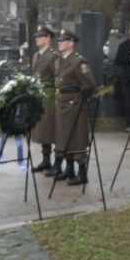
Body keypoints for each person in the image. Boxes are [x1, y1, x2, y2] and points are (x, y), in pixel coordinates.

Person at [51, 29, 96, 186]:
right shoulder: (58, 60)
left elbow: (90, 84)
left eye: (63, 41)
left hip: (74, 104)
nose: (59, 43)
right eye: (59, 40)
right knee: (63, 137)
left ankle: (82, 173)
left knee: (76, 137)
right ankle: (69, 169)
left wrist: (80, 98)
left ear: (71, 43)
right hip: (61, 102)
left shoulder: (79, 61)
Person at [30, 25, 59, 173]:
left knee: (52, 129)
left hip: (50, 96)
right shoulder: (36, 55)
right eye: (36, 36)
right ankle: (46, 160)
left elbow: (58, 77)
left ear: (48, 38)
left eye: (40, 36)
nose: (37, 39)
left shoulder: (54, 55)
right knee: (42, 130)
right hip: (39, 95)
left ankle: (57, 163)